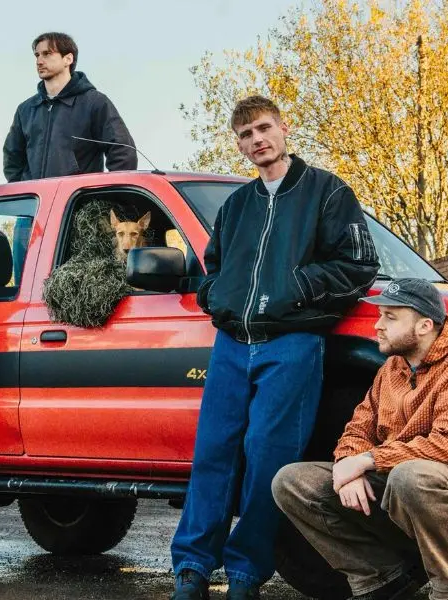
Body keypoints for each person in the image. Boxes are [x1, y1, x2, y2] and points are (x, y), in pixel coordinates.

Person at [170, 95, 380, 600]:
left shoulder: (327, 192)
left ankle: (245, 574)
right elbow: (213, 268)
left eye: (264, 128)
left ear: (284, 129)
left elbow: (358, 263)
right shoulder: (237, 206)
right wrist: (214, 296)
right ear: (240, 145)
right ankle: (192, 569)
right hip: (232, 345)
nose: (257, 140)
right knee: (213, 455)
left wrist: (295, 289)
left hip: (293, 343)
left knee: (269, 458)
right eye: (245, 135)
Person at [273, 279, 448, 600]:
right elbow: (359, 429)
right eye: (380, 315)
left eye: (390, 317)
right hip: (396, 487)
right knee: (291, 481)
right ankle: (381, 580)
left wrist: (367, 461)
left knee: (411, 476)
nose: (378, 326)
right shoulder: (392, 369)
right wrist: (346, 466)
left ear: (425, 325)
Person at [3, 32, 137, 182]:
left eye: (47, 54)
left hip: (77, 201)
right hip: (38, 201)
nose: (39, 61)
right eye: (37, 55)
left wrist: (110, 196)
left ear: (68, 59)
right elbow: (12, 159)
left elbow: (123, 151)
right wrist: (24, 193)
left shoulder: (94, 102)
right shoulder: (26, 110)